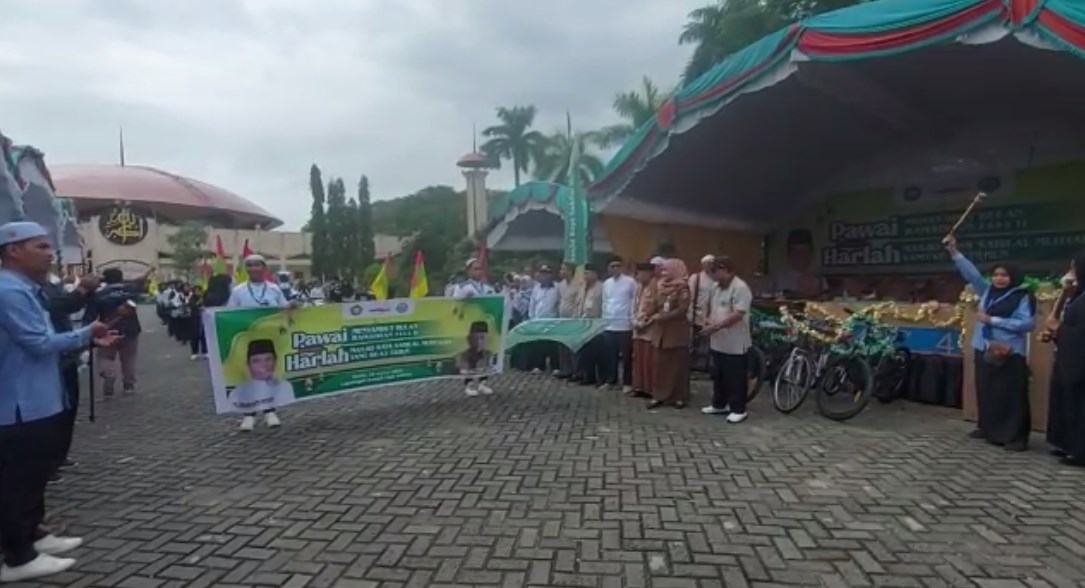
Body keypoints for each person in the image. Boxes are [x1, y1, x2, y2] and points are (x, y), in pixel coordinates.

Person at [0, 221, 121, 582]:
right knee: (19, 481)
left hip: (41, 397)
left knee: (36, 475)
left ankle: (33, 535)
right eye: (40, 247)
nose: (50, 254)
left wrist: (86, 341)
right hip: (20, 403)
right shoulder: (9, 291)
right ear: (13, 251)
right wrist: (89, 331)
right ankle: (17, 557)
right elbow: (38, 343)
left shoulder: (27, 288)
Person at [946, 236, 1036, 451]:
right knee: (986, 390)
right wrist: (954, 252)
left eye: (1004, 275)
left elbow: (1026, 324)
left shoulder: (1022, 296)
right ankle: (988, 427)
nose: (999, 279)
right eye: (996, 275)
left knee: (1011, 396)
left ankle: (1016, 437)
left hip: (1009, 353)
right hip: (984, 348)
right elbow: (972, 274)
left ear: (1013, 277)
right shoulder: (987, 291)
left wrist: (993, 320)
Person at [227, 254, 294, 431]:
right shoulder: (238, 291)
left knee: (268, 374)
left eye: (257, 265)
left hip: (270, 339)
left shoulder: (274, 289)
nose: (254, 268)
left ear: (264, 268)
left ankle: (270, 411)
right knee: (249, 376)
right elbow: (227, 314)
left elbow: (284, 309)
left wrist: (292, 307)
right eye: (250, 265)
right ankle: (248, 415)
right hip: (247, 340)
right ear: (246, 268)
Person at [700, 257, 754, 423]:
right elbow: (711, 308)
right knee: (719, 375)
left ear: (727, 270)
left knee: (735, 377)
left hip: (735, 342)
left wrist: (716, 326)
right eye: (711, 272)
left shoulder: (740, 288)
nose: (713, 276)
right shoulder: (715, 287)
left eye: (715, 272)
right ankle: (719, 404)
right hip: (718, 341)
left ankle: (738, 409)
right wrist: (708, 321)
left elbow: (738, 314)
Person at [1047, 253, 1085, 465]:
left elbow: (1080, 335)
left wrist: (1059, 330)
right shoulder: (1078, 294)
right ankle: (1066, 443)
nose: (1070, 274)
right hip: (1069, 359)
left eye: (1074, 269)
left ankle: (1079, 450)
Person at [83, 267, 143, 397]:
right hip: (130, 329)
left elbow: (90, 316)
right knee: (129, 358)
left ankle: (108, 373)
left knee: (104, 356)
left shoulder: (99, 295)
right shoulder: (129, 291)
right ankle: (128, 384)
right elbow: (139, 292)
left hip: (107, 330)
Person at [646, 258, 692, 409]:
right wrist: (647, 312)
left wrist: (663, 317)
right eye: (663, 270)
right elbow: (654, 304)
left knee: (678, 366)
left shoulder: (683, 287)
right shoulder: (659, 285)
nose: (664, 273)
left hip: (676, 332)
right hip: (660, 332)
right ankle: (659, 395)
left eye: (667, 270)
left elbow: (682, 309)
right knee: (660, 366)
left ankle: (679, 397)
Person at [454, 258, 497, 396]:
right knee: (471, 354)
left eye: (480, 268)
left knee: (484, 353)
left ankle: (483, 382)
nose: (479, 271)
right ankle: (469, 383)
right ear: (468, 271)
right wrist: (465, 300)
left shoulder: (488, 287)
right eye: (475, 268)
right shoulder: (462, 287)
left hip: (485, 324)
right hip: (469, 324)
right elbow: (455, 307)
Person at [228, 339, 297, 413]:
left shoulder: (285, 386)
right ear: (248, 365)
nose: (263, 365)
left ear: (275, 361)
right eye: (256, 361)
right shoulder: (236, 394)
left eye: (268, 359)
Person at [630, 262, 657, 398]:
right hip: (638, 327)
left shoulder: (656, 286)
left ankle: (649, 389)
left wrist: (645, 322)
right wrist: (635, 321)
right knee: (638, 359)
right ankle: (639, 387)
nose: (638, 276)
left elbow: (656, 307)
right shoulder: (639, 287)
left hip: (649, 328)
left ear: (649, 273)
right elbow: (634, 306)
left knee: (648, 359)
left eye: (640, 273)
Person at [527, 265, 560, 373]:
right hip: (538, 320)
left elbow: (559, 303)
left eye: (547, 273)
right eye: (542, 273)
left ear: (551, 275)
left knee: (552, 345)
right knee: (538, 344)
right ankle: (538, 365)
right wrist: (531, 318)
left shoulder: (557, 287)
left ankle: (555, 366)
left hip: (552, 320)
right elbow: (532, 304)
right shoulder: (536, 288)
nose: (544, 276)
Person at [576, 264, 604, 385]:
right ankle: (586, 375)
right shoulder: (583, 287)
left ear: (595, 274)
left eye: (588, 273)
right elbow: (579, 303)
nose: (585, 276)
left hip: (596, 323)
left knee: (597, 352)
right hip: (583, 323)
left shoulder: (601, 287)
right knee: (585, 352)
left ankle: (599, 377)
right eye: (585, 273)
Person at [555, 262, 581, 379]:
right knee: (562, 346)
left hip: (573, 319)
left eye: (564, 269)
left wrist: (576, 317)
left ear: (571, 271)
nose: (561, 272)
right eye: (561, 269)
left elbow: (579, 303)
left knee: (573, 347)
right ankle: (565, 369)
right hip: (562, 319)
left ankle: (576, 371)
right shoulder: (560, 285)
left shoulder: (578, 285)